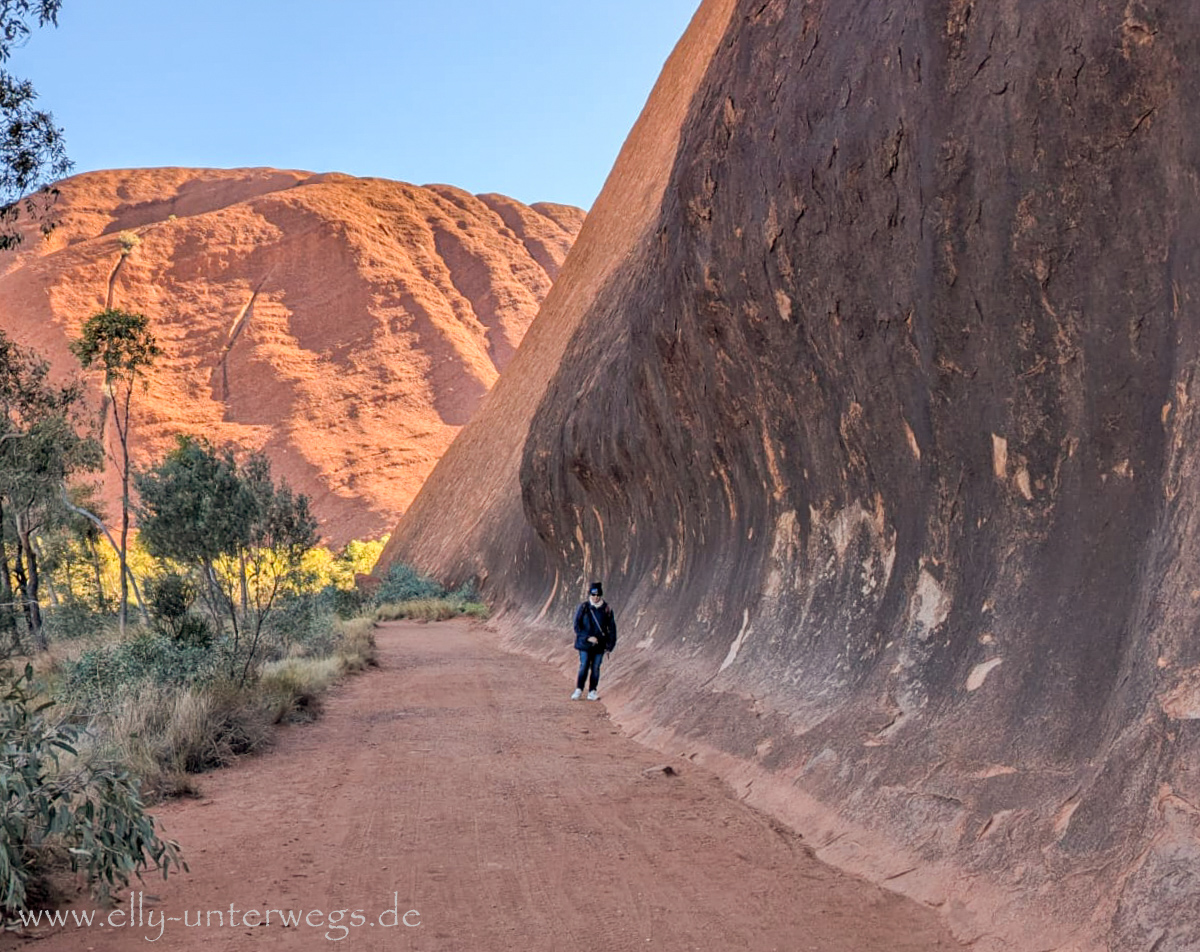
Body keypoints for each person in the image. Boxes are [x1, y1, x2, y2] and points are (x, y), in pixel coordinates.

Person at [571, 581, 616, 700]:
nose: (595, 597)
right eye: (593, 595)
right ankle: (579, 689)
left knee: (596, 667)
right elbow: (576, 626)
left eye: (598, 595)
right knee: (584, 665)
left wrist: (609, 646)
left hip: (600, 645)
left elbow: (612, 628)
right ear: (589, 595)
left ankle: (592, 691)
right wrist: (587, 637)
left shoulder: (606, 609)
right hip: (585, 644)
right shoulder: (584, 607)